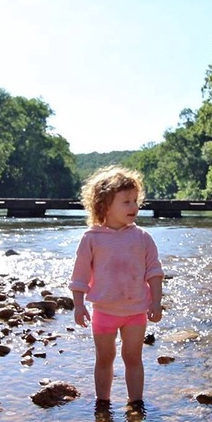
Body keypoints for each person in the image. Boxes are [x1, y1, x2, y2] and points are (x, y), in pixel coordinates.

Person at [70, 166, 164, 405]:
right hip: (104, 312)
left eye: (135, 201)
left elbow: (154, 271)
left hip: (135, 311)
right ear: (105, 206)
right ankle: (103, 404)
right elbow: (79, 275)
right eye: (126, 202)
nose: (133, 207)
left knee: (133, 357)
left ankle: (136, 404)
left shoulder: (142, 237)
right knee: (105, 358)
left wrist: (156, 301)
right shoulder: (91, 238)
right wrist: (78, 305)